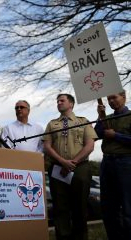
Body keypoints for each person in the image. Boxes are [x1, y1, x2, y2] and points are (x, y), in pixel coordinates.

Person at [43, 93, 97, 240]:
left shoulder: (83, 121)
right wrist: (62, 161)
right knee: (60, 207)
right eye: (57, 101)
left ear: (71, 104)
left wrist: (72, 162)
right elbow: (47, 146)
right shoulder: (52, 124)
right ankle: (63, 237)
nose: (59, 103)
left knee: (80, 206)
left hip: (80, 168)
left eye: (62, 100)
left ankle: (80, 237)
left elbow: (90, 145)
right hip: (58, 168)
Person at [94, 90, 131, 240]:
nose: (111, 101)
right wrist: (100, 117)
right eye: (108, 99)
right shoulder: (106, 118)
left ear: (124, 97)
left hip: (126, 163)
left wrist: (116, 136)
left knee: (128, 206)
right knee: (109, 208)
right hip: (107, 163)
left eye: (114, 97)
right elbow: (96, 134)